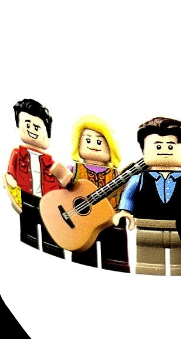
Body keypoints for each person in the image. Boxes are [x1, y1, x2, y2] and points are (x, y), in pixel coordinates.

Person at [114, 117, 181, 277]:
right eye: (158, 146)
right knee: (148, 266)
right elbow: (128, 197)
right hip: (147, 227)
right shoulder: (138, 179)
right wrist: (124, 211)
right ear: (143, 151)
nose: (164, 150)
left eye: (171, 145)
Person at [56, 115, 130, 273]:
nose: (94, 145)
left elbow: (126, 196)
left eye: (100, 141)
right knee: (83, 261)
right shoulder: (75, 170)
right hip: (80, 224)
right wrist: (63, 178)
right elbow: (59, 189)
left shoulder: (117, 175)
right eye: (88, 140)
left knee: (115, 261)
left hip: (111, 223)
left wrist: (126, 211)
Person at [4, 98, 70, 257]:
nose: (32, 130)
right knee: (29, 232)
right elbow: (10, 174)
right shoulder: (17, 154)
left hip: (49, 202)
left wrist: (67, 180)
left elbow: (64, 182)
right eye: (27, 125)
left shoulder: (51, 162)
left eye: (37, 127)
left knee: (51, 235)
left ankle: (53, 251)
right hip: (26, 198)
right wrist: (11, 183)